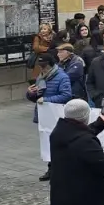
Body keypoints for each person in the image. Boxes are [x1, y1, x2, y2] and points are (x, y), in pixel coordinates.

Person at [49, 99, 104, 205]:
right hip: (84, 195)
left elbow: (77, 134)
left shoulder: (58, 132)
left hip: (62, 193)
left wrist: (99, 124)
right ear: (85, 116)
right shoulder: (86, 142)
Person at [28, 53, 74, 182]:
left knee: (59, 144)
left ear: (51, 65)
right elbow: (35, 97)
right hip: (44, 116)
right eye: (41, 67)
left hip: (56, 116)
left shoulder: (62, 77)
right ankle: (51, 169)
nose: (42, 69)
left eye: (44, 67)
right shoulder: (41, 77)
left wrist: (47, 99)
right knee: (47, 144)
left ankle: (61, 170)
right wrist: (30, 93)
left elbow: (66, 95)